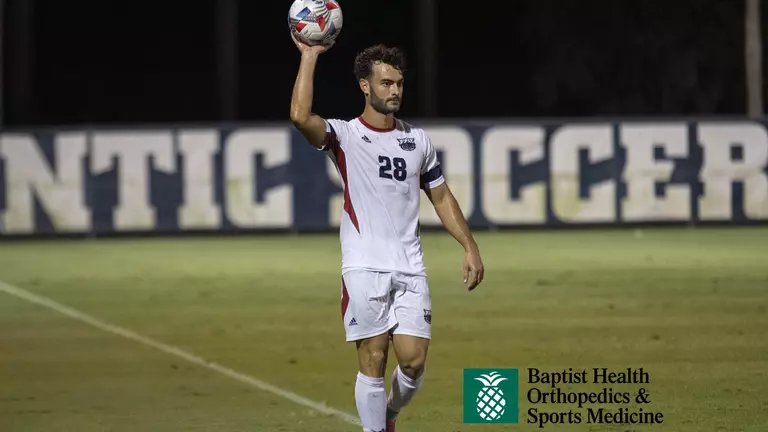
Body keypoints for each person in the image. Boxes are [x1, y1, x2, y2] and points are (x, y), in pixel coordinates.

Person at [289, 34, 485, 432]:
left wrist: (469, 246)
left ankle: (388, 414)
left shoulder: (417, 140)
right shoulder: (345, 136)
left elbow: (441, 196)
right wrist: (309, 55)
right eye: (386, 83)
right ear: (365, 86)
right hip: (363, 266)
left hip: (410, 266)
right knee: (374, 358)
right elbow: (300, 117)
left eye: (399, 83)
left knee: (413, 362)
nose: (395, 91)